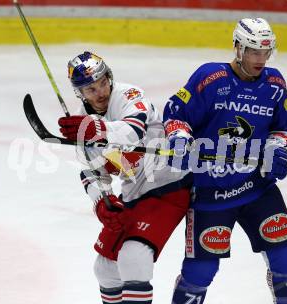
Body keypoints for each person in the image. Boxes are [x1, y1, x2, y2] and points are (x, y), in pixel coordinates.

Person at [163, 18, 287, 303]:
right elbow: (176, 114)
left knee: (286, 261)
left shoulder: (274, 83)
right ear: (238, 47)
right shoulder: (211, 78)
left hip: (257, 187)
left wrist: (277, 149)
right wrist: (179, 139)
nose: (260, 59)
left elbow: (280, 128)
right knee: (200, 272)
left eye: (266, 52)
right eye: (253, 51)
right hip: (210, 191)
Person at [57, 51, 192, 304]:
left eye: (103, 82)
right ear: (80, 93)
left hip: (168, 186)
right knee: (105, 269)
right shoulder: (81, 121)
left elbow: (134, 129)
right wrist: (102, 201)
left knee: (134, 258)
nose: (100, 93)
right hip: (134, 193)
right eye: (90, 89)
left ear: (109, 77)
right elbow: (92, 170)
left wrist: (98, 129)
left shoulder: (128, 95)